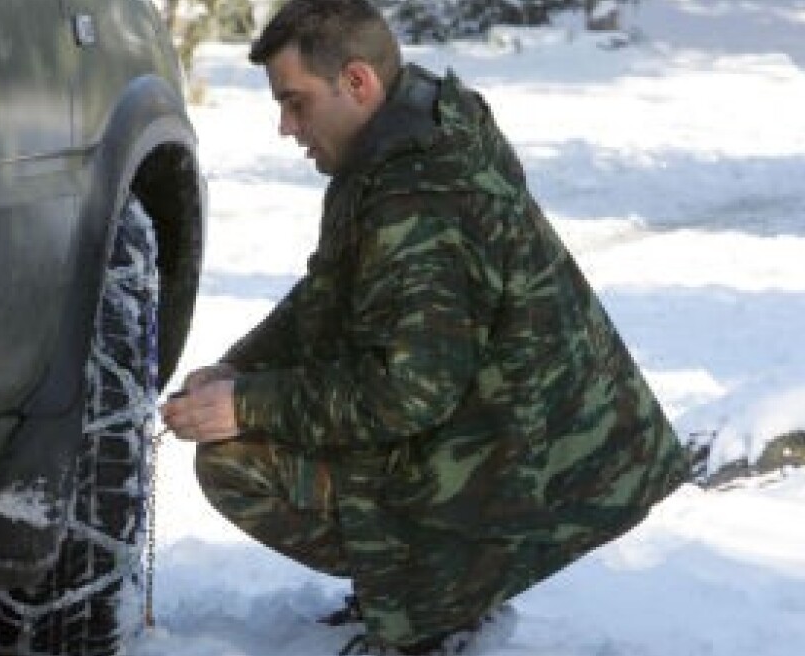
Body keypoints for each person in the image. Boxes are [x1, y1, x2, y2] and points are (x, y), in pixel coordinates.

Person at [160, 0, 689, 653]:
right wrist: (242, 366)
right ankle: (428, 588)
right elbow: (334, 285)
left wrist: (247, 405)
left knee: (237, 461)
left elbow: (408, 393)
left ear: (357, 83)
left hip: (540, 465)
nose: (286, 127)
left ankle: (433, 608)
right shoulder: (412, 130)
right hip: (521, 432)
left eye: (296, 103)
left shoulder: (417, 191)